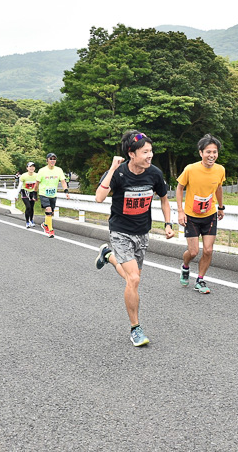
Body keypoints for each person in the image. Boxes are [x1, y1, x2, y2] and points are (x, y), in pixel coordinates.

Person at [94, 131, 175, 347]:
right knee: (134, 280)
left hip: (142, 232)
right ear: (131, 153)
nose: (150, 155)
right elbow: (99, 197)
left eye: (151, 151)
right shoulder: (119, 173)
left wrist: (168, 224)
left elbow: (164, 200)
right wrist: (111, 168)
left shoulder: (155, 174)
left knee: (133, 276)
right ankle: (135, 328)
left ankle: (108, 255)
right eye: (145, 152)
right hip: (120, 231)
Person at [176, 134, 226, 294]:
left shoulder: (220, 170)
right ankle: (185, 267)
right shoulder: (191, 169)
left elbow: (218, 188)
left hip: (209, 215)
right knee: (193, 252)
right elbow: (179, 187)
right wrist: (180, 211)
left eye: (215, 152)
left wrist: (221, 207)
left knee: (208, 250)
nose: (212, 155)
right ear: (201, 153)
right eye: (208, 152)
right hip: (191, 216)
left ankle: (200, 280)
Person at [36, 153, 70, 238]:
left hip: (53, 194)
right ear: (47, 160)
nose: (52, 161)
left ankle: (45, 224)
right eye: (51, 159)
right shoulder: (42, 170)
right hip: (43, 193)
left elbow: (63, 181)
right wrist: (34, 193)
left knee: (51, 213)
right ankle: (50, 230)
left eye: (54, 159)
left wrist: (66, 191)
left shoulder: (59, 170)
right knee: (48, 210)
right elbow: (37, 183)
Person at [19, 161, 39, 228]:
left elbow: (39, 185)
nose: (32, 168)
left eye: (33, 166)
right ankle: (27, 222)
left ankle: (31, 220)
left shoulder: (37, 175)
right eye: (30, 166)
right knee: (28, 207)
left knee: (32, 207)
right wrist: (16, 195)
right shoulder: (23, 176)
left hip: (32, 192)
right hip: (24, 192)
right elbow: (19, 185)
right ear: (27, 168)